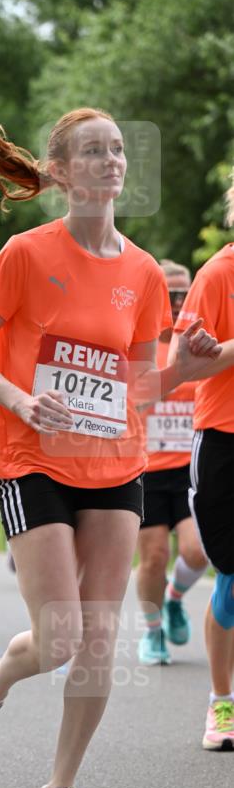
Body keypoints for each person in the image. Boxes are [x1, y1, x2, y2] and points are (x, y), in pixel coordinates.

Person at [0, 103, 222, 788]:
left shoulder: (140, 273)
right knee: (58, 638)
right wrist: (19, 398)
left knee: (97, 639)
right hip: (32, 459)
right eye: (92, 152)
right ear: (60, 172)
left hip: (114, 466)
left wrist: (183, 368)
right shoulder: (26, 254)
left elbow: (137, 390)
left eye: (117, 150)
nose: (110, 161)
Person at [172, 170, 234, 751]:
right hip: (223, 439)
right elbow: (183, 367)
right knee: (233, 576)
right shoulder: (217, 275)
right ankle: (222, 704)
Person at [135, 260, 207, 664]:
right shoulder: (140, 341)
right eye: (170, 295)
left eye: (184, 294)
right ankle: (151, 631)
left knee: (198, 551)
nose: (178, 303)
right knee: (155, 556)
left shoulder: (199, 342)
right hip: (144, 469)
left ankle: (175, 597)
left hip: (191, 467)